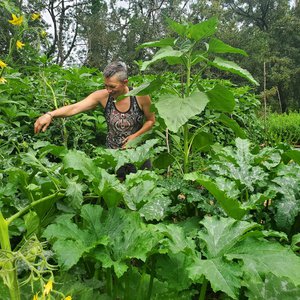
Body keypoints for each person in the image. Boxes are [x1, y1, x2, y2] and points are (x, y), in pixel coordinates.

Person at [34, 61, 155, 150]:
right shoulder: (102, 96)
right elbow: (75, 107)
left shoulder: (140, 96)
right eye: (106, 86)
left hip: (138, 153)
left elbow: (150, 121)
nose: (108, 90)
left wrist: (135, 136)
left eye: (112, 86)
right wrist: (50, 114)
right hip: (112, 154)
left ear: (125, 83)